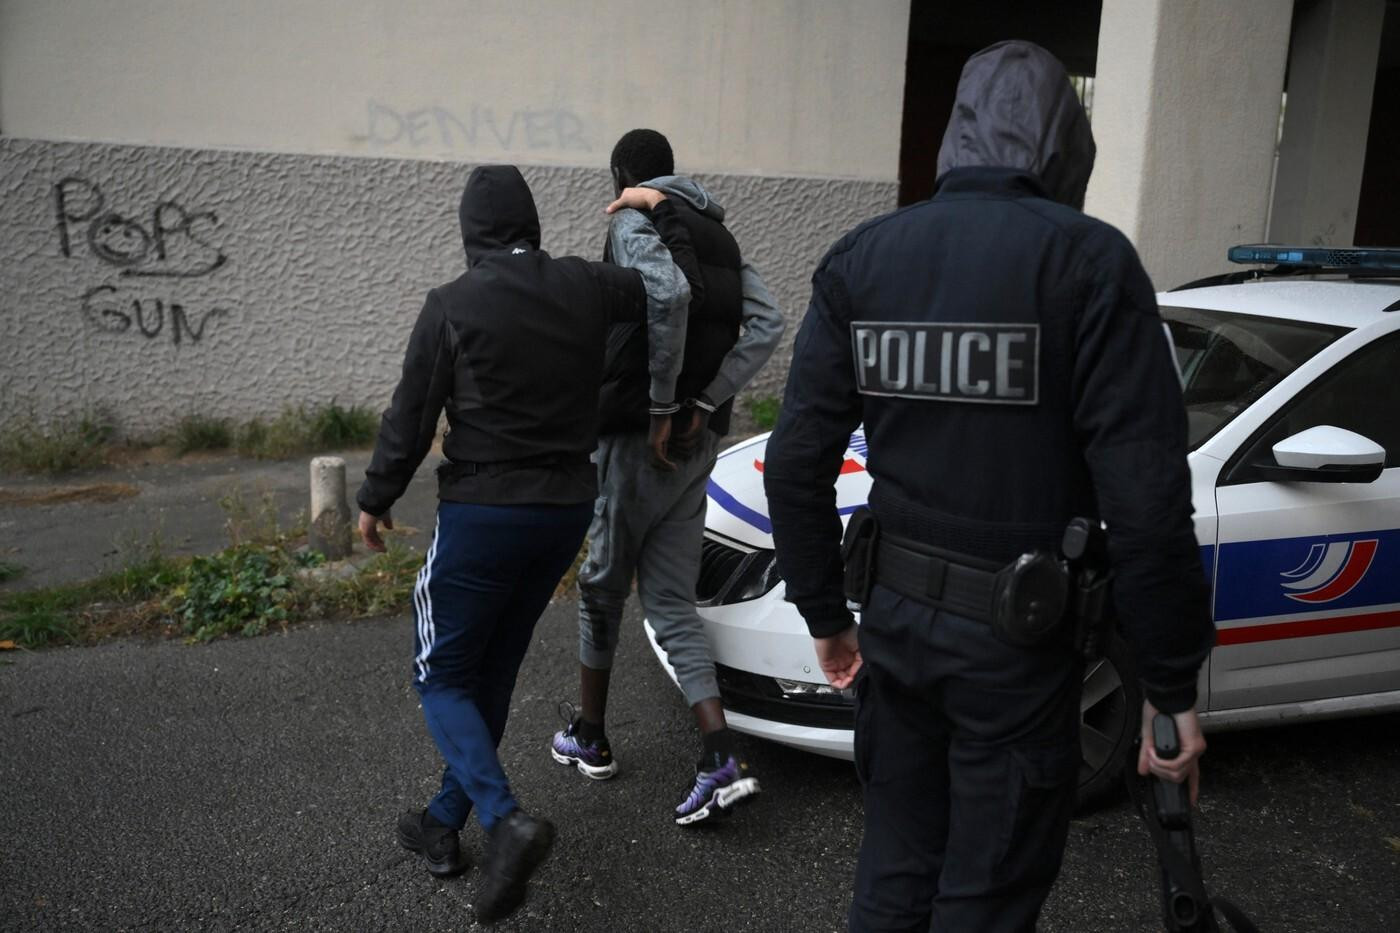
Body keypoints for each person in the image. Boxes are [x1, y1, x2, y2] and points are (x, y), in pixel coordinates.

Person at [761, 42, 1215, 931]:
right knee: (987, 892)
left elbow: (795, 459)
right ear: (1066, 145)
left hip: (894, 633)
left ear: (956, 134)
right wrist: (1169, 686)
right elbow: (1147, 503)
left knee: (894, 874)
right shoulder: (1090, 264)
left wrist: (825, 614)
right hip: (1018, 651)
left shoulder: (864, 258)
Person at [356, 164, 698, 924]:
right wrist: (662, 210)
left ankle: (505, 818)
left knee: (441, 675)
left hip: (484, 511)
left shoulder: (452, 303)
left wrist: (375, 498)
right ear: (532, 225)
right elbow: (673, 286)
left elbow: (411, 416)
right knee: (496, 665)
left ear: (470, 233)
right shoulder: (587, 284)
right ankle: (444, 821)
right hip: (566, 509)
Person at [548, 129, 785, 825]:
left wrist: (660, 406)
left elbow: (669, 292)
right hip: (698, 442)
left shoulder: (633, 221)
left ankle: (591, 737)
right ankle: (721, 758)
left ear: (621, 174)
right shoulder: (720, 234)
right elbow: (768, 323)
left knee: (601, 588)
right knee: (672, 603)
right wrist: (707, 402)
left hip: (637, 438)